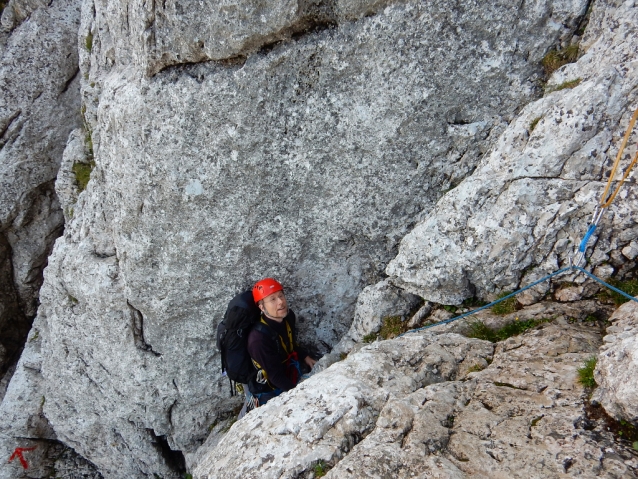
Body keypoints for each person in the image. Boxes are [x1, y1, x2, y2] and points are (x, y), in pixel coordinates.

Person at [245, 278, 316, 407]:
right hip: (268, 388)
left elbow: (291, 343)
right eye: (272, 299)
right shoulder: (258, 339)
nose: (281, 302)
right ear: (262, 307)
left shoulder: (288, 317)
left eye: (281, 295)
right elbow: (275, 376)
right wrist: (300, 395)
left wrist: (305, 357)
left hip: (286, 371)